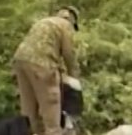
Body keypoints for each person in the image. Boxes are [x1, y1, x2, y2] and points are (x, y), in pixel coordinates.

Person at [11, 7, 81, 135]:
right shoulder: (65, 25)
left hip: (20, 61)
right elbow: (69, 53)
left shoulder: (42, 22)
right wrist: (74, 77)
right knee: (51, 111)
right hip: (42, 65)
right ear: (71, 19)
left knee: (29, 112)